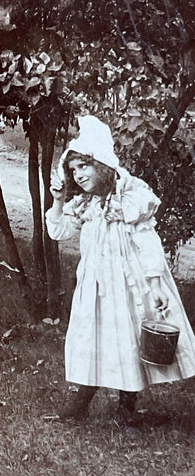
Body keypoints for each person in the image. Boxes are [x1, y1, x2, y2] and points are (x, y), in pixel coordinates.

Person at [46, 115, 195, 427]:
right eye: (74, 170)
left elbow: (148, 241)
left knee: (128, 336)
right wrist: (59, 201)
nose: (79, 175)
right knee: (92, 334)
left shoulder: (130, 195)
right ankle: (81, 399)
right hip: (95, 282)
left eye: (84, 166)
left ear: (100, 162)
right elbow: (58, 231)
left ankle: (127, 407)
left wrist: (155, 286)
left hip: (129, 279)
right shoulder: (85, 202)